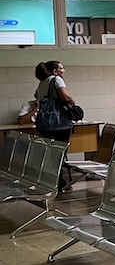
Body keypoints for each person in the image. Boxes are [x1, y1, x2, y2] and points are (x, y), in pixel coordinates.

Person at [35, 60, 75, 190]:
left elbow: (37, 97)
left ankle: (49, 180)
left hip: (44, 124)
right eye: (61, 68)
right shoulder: (56, 80)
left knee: (50, 153)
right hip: (59, 124)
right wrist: (73, 102)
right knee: (60, 152)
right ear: (54, 70)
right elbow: (65, 97)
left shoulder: (42, 83)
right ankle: (59, 182)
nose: (63, 71)